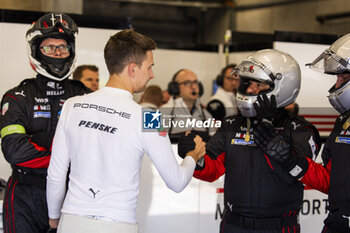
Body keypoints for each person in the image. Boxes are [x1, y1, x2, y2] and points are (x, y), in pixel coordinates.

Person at [46, 29, 206, 233]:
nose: (152, 75)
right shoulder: (150, 117)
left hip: (71, 221)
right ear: (132, 69)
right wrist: (193, 155)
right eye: (149, 67)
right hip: (117, 224)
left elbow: (56, 174)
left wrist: (54, 218)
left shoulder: (71, 105)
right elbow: (176, 182)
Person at [177, 49, 321, 232]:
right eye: (247, 83)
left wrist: (271, 137)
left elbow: (300, 173)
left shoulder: (300, 130)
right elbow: (212, 169)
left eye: (259, 85)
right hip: (233, 224)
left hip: (278, 226)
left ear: (282, 87)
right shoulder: (232, 125)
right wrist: (195, 156)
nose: (251, 89)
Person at [0, 13, 91, 233]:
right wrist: (67, 149)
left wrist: (41, 142)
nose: (58, 53)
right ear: (35, 52)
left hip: (73, 196)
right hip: (24, 197)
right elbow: (14, 151)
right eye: (50, 48)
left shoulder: (85, 96)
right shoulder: (16, 97)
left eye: (63, 47)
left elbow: (95, 149)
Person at [255, 34, 350, 233]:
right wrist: (290, 160)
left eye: (344, 77)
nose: (338, 84)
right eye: (338, 77)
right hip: (336, 224)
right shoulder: (343, 123)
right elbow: (329, 181)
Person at [162, 69, 215, 142]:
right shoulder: (162, 113)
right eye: (187, 83)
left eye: (195, 82)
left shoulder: (206, 115)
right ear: (175, 88)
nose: (193, 87)